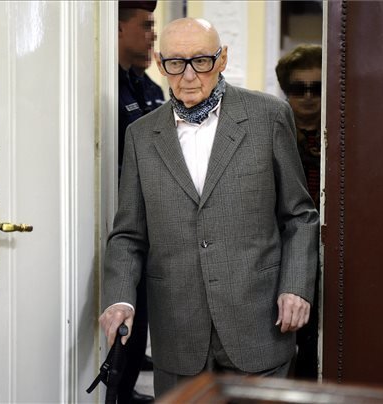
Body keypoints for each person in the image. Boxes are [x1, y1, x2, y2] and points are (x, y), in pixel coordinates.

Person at [99, 17, 319, 397]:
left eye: (201, 61)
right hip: (179, 332)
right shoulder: (140, 136)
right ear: (159, 62)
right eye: (175, 63)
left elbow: (299, 216)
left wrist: (296, 287)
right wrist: (120, 298)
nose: (188, 76)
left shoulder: (268, 117)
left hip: (260, 323)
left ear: (222, 59)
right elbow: (129, 235)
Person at [116, 1, 164, 402]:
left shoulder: (147, 87)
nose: (153, 34)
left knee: (144, 301)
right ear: (118, 28)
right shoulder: (109, 86)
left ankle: (129, 382)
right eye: (145, 25)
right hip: (123, 215)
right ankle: (119, 389)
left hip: (153, 216)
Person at [275, 44, 322, 380]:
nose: (307, 97)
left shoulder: (344, 132)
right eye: (298, 88)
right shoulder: (271, 129)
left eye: (316, 88)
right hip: (282, 245)